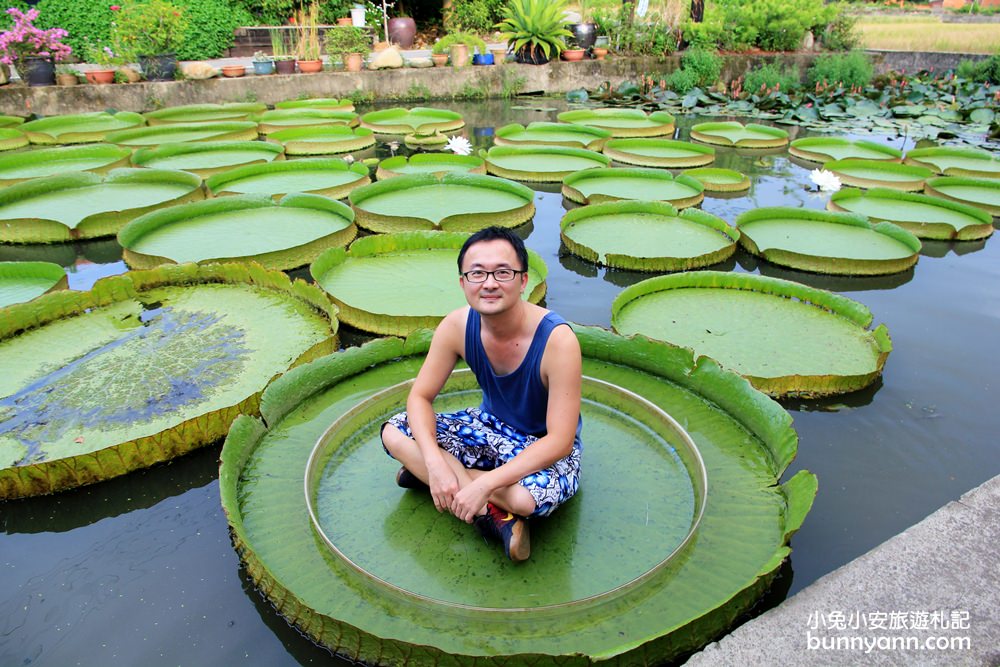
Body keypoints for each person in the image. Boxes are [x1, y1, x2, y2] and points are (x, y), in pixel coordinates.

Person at [380, 226, 583, 562]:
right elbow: (419, 398)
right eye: (477, 273)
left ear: (523, 281)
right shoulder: (457, 326)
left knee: (525, 501)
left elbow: (560, 441)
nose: (489, 283)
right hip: (487, 427)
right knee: (394, 431)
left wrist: (482, 485)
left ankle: (444, 484)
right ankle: (488, 515)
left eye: (503, 272)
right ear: (463, 283)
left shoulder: (558, 341)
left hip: (543, 449)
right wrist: (435, 462)